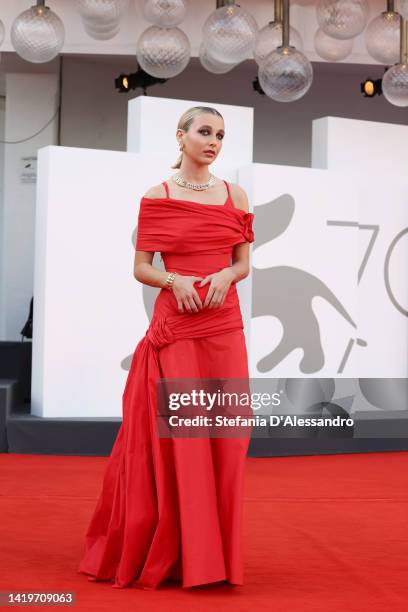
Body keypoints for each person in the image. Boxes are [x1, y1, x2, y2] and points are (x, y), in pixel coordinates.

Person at [77, 105, 255, 591]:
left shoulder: (235, 194)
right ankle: (179, 555)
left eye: (220, 134)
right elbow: (142, 267)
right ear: (181, 136)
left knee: (228, 440)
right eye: (204, 131)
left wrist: (224, 274)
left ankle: (216, 558)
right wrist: (174, 279)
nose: (213, 140)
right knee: (185, 443)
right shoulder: (157, 196)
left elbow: (242, 264)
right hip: (177, 328)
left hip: (223, 326)